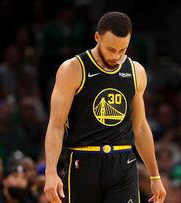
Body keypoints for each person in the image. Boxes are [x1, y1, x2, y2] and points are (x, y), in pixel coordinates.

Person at [43, 11, 166, 203]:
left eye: (122, 50)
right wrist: (50, 172)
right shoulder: (73, 69)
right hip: (83, 162)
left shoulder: (136, 72)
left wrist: (155, 175)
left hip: (123, 162)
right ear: (97, 37)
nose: (116, 56)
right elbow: (56, 124)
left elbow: (140, 127)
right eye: (111, 49)